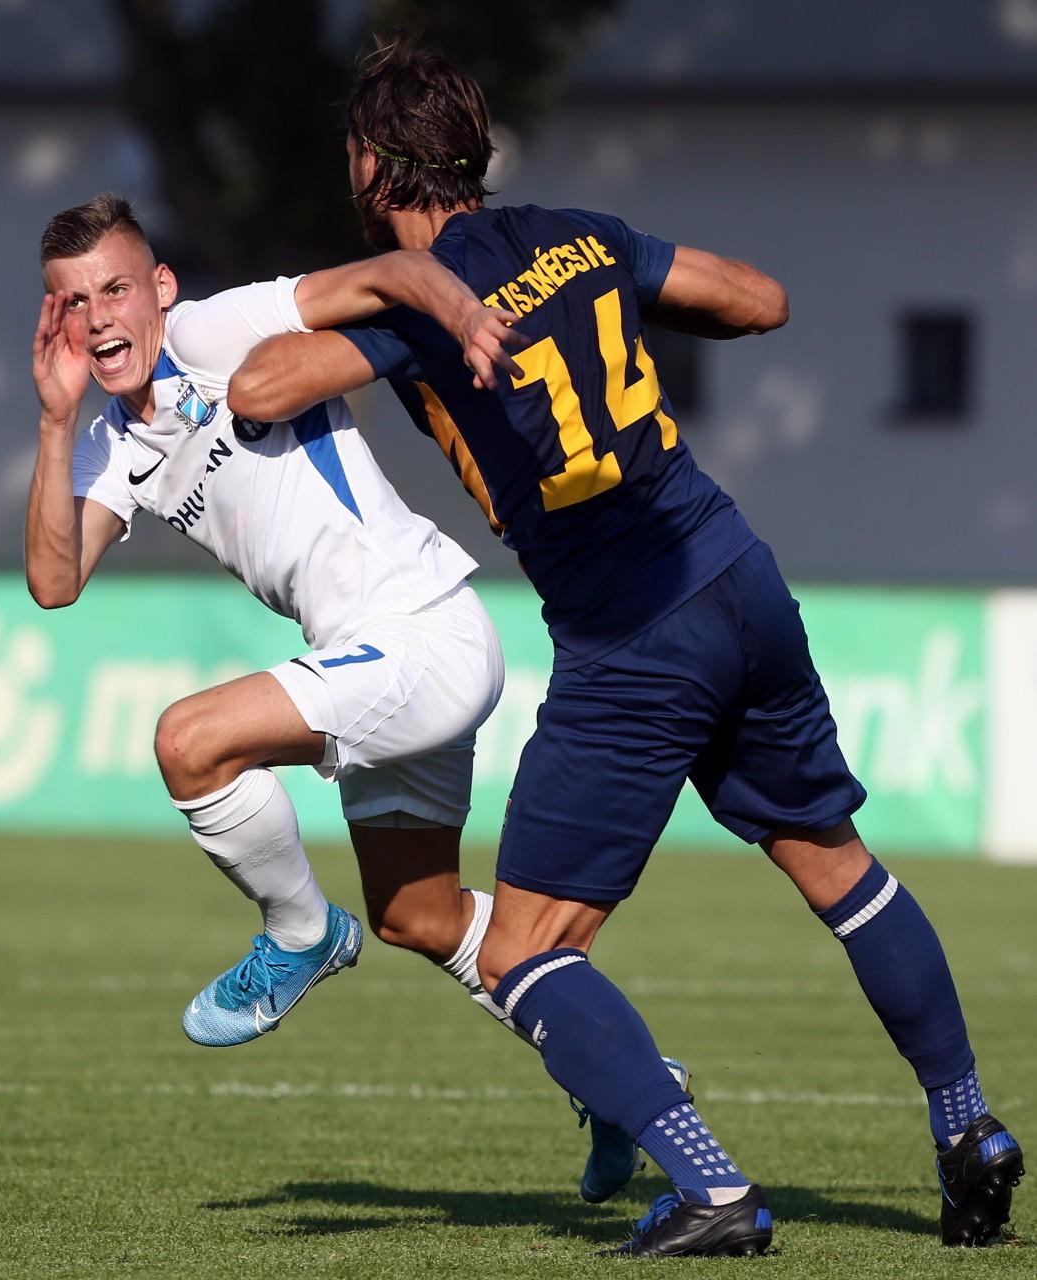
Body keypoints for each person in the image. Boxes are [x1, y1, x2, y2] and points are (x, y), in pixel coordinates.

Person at [228, 37, 1026, 1257]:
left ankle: (711, 1188)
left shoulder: (420, 306)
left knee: (521, 949)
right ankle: (965, 1123)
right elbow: (758, 299)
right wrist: (612, 295)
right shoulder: (579, 237)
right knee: (839, 869)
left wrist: (395, 288)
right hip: (736, 575)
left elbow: (259, 387)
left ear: (373, 168)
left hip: (631, 635)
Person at [26, 193, 524, 1052]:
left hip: (422, 631)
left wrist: (467, 315)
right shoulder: (107, 442)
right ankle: (632, 1083)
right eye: (75, 301)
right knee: (418, 916)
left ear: (162, 287)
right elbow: (53, 582)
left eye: (115, 289)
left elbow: (387, 275)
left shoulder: (210, 334)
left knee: (189, 742)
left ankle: (301, 934)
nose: (98, 317)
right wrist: (54, 418)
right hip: (371, 654)